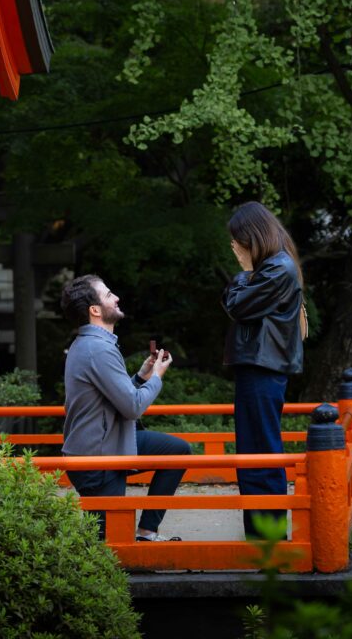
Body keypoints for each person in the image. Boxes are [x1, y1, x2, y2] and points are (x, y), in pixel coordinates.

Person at [61, 274, 191, 541]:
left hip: (110, 444)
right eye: (108, 294)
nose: (116, 297)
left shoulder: (91, 344)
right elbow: (132, 407)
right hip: (98, 457)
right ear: (94, 310)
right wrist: (156, 377)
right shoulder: (98, 348)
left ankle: (146, 532)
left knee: (177, 451)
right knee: (107, 548)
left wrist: (141, 377)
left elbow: (114, 396)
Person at [222, 201, 304, 539]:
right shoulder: (274, 267)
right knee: (254, 448)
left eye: (238, 239)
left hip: (263, 367)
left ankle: (266, 534)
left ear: (253, 236)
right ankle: (261, 532)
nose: (235, 247)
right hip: (260, 366)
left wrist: (243, 271)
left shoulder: (276, 269)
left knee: (261, 449)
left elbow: (235, 304)